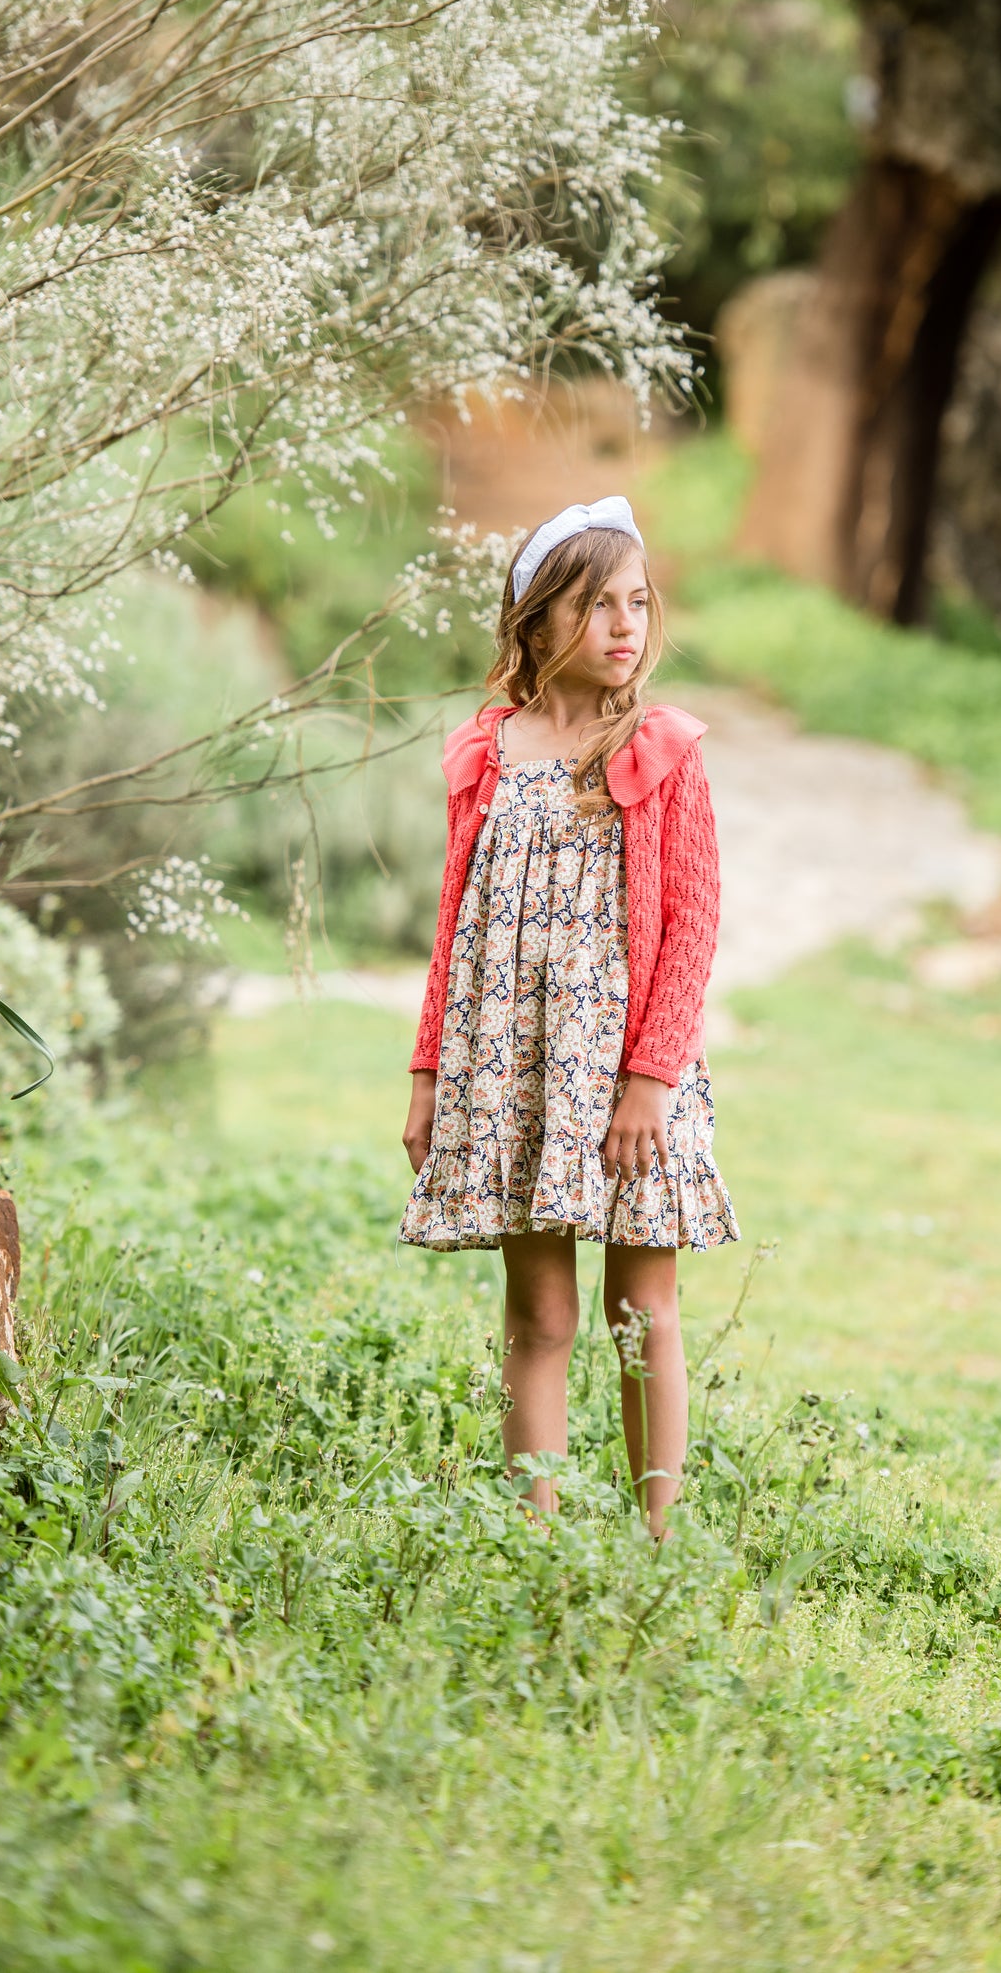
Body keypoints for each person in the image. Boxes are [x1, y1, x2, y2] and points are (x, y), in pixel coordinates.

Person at [399, 495, 738, 1537]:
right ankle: (531, 1532)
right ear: (535, 623)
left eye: (637, 603)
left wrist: (648, 1079)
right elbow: (454, 918)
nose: (625, 626)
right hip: (510, 1068)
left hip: (630, 1072)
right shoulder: (486, 754)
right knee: (539, 1312)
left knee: (642, 1311)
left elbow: (691, 925)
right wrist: (425, 1074)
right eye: (596, 607)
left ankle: (655, 1533)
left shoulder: (660, 751)